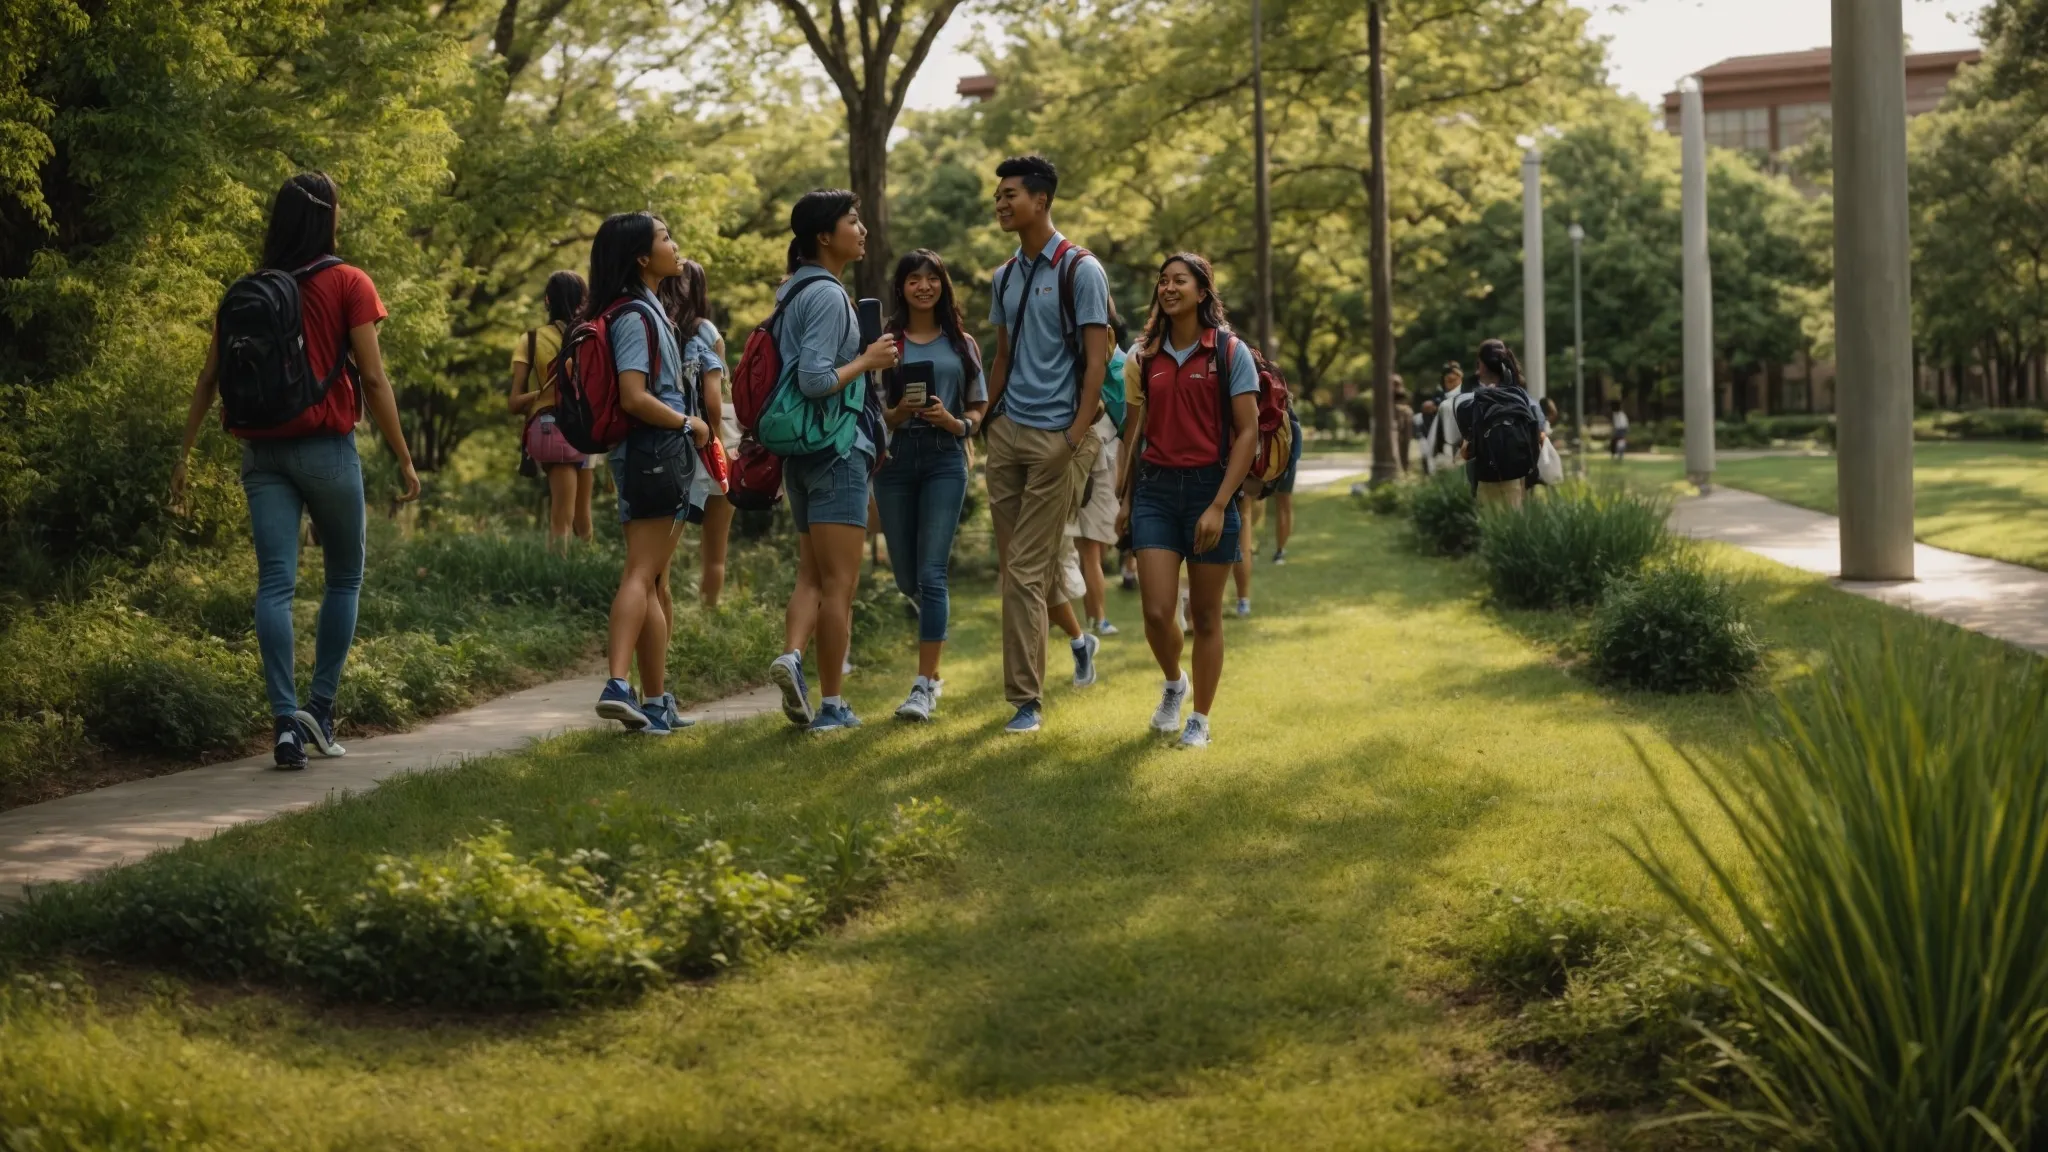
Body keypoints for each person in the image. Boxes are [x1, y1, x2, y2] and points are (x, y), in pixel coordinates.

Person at [171, 171, 422, 769]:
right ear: (327, 216)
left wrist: (181, 457)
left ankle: (284, 723)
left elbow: (209, 380)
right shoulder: (348, 281)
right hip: (326, 449)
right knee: (343, 578)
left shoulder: (246, 289)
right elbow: (375, 379)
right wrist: (405, 459)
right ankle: (321, 709)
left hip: (260, 452)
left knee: (275, 585)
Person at [983, 154, 1110, 735]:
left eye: (1011, 194)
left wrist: (1074, 436)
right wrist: (988, 417)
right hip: (1007, 433)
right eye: (999, 196)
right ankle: (1080, 642)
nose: (1002, 204)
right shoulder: (1004, 275)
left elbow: (1096, 361)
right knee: (1020, 568)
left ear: (1042, 200)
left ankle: (1026, 703)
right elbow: (1003, 355)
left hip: (1060, 436)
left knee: (1024, 572)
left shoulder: (1080, 269)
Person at [766, 190, 898, 733]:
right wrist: (868, 360)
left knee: (811, 575)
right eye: (852, 221)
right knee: (840, 584)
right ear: (825, 236)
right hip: (836, 448)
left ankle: (793, 657)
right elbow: (814, 379)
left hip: (800, 450)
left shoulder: (791, 293)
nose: (862, 229)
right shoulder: (824, 295)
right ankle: (832, 706)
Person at [1116, 252, 1259, 750]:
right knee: (1156, 611)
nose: (1168, 288)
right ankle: (1175, 682)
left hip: (1209, 491)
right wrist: (1125, 498)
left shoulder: (1229, 352)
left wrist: (1220, 504)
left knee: (1205, 615)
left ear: (1203, 292)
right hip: (1155, 488)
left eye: (1180, 280)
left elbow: (1247, 434)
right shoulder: (1143, 357)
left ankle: (1200, 718)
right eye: (1163, 281)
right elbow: (1133, 435)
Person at [586, 213, 714, 736]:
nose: (675, 244)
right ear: (642, 256)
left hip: (649, 452)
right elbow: (634, 396)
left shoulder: (646, 309)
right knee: (642, 572)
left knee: (654, 576)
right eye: (665, 237)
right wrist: (691, 422)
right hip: (655, 450)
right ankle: (618, 684)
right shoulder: (635, 315)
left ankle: (657, 700)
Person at [873, 249, 986, 722]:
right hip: (895, 459)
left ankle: (923, 686)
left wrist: (956, 422)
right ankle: (934, 665)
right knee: (906, 576)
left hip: (944, 458)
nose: (923, 286)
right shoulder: (884, 344)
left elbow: (979, 408)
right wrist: (892, 417)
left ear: (943, 284)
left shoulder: (962, 343)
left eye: (932, 278)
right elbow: (869, 407)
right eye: (913, 279)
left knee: (933, 573)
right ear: (901, 287)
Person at [658, 260, 735, 607]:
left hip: (668, 436)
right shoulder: (707, 331)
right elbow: (714, 400)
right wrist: (716, 439)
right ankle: (709, 610)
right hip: (710, 436)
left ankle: (659, 598)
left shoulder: (655, 326)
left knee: (663, 538)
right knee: (715, 542)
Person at [510, 271, 595, 553]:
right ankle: (564, 587)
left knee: (569, 520)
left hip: (560, 428)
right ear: (583, 301)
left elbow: (514, 402)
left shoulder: (531, 339)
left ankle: (569, 584)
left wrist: (542, 395)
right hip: (583, 428)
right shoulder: (591, 337)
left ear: (548, 301)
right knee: (577, 522)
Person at [1443, 338, 1545, 510]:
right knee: (1514, 526)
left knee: (1490, 528)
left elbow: (1466, 451)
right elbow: (1539, 433)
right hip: (1518, 477)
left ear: (1481, 366)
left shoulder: (1470, 401)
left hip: (1486, 478)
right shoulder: (1522, 397)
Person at [1266, 402, 1303, 563]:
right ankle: (1280, 550)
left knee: (1282, 504)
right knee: (1284, 504)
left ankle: (1279, 550)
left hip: (1273, 454)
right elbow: (1296, 429)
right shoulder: (1284, 401)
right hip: (1286, 454)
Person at [1392, 378, 1414, 473]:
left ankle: (1405, 468)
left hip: (1404, 419)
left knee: (1405, 445)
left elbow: (1408, 401)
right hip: (1395, 419)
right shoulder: (1387, 394)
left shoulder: (1403, 393)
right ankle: (1400, 468)